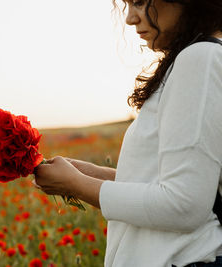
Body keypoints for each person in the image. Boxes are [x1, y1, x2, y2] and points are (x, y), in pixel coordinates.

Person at [33, 0, 222, 266]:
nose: (130, 18)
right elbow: (170, 183)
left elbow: (184, 205)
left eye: (140, 2)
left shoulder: (200, 57)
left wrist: (75, 184)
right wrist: (89, 173)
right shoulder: (194, 58)